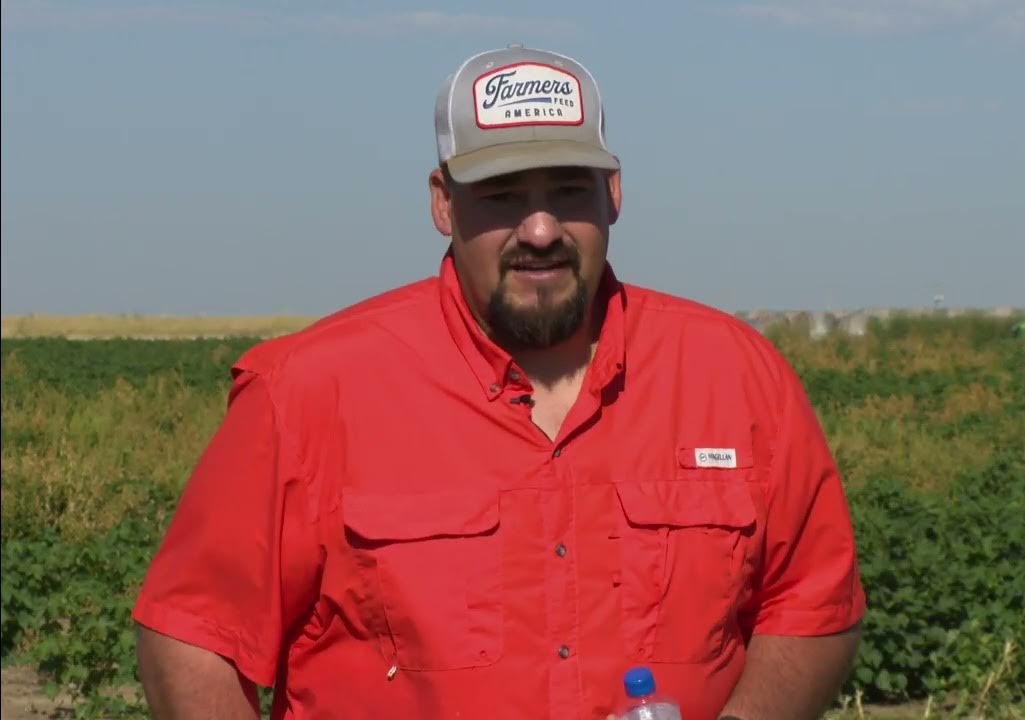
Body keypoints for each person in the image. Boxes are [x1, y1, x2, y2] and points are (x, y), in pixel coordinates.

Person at [132, 44, 865, 720]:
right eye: (503, 195)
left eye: (568, 191)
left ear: (613, 194)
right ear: (442, 201)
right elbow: (194, 637)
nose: (540, 229)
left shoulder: (736, 376)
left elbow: (811, 603)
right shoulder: (308, 391)